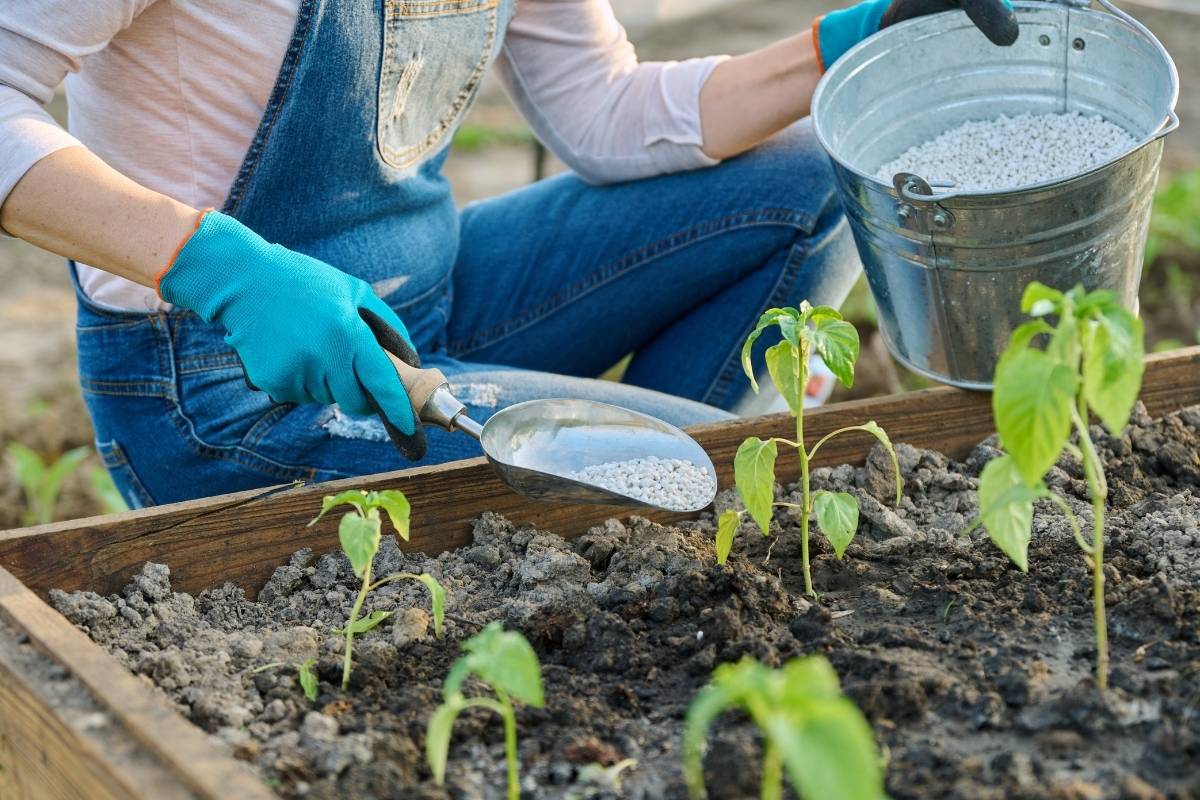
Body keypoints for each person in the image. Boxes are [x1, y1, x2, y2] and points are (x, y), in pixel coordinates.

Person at [0, 0, 1015, 507]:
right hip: (217, 380)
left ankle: (626, 508)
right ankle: (627, 501)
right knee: (668, 474)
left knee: (808, 186)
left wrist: (850, 39)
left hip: (431, 298)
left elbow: (605, 109)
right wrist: (221, 266)